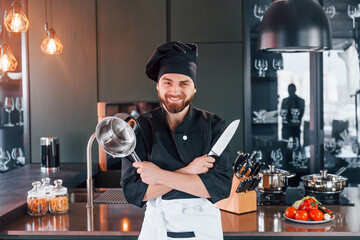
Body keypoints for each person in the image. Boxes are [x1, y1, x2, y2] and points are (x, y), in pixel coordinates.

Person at [121, 41, 233, 240]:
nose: (175, 91)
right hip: (157, 229)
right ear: (158, 86)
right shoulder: (140, 128)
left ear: (194, 88)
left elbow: (220, 188)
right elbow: (134, 192)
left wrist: (158, 176)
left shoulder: (215, 126)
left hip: (203, 230)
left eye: (184, 83)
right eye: (168, 82)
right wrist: (190, 171)